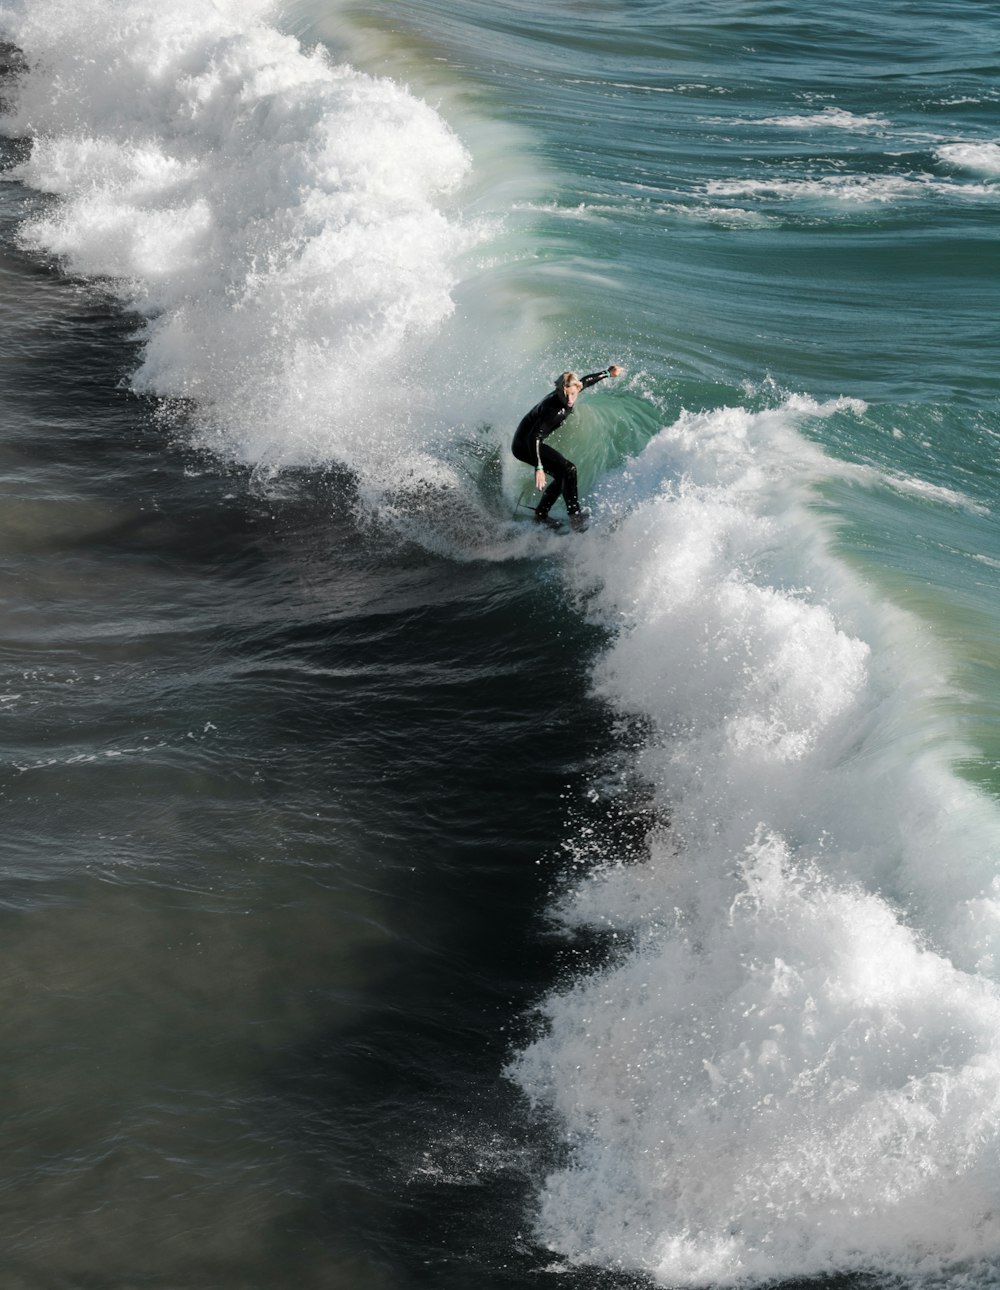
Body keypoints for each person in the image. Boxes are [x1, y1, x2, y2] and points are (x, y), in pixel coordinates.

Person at [512, 365, 623, 529]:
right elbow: (534, 436)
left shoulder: (573, 389)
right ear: (558, 390)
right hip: (525, 445)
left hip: (528, 441)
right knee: (569, 469)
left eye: (573, 393)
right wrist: (539, 467)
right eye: (566, 394)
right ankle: (575, 516)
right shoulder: (555, 410)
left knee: (562, 475)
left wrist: (608, 373)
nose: (570, 399)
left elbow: (586, 381)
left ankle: (541, 513)